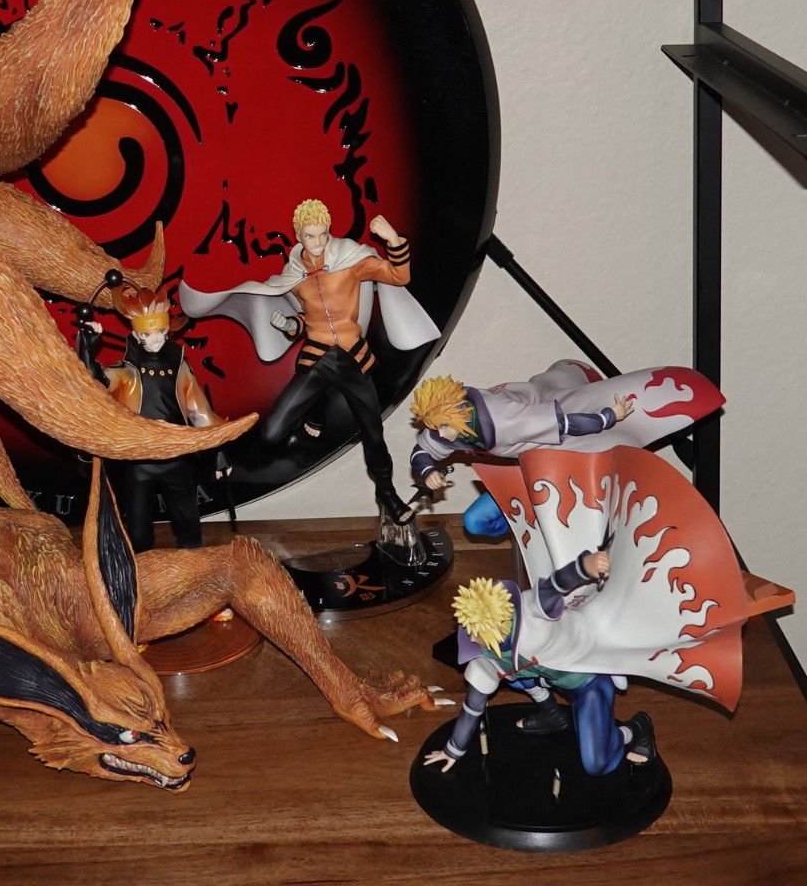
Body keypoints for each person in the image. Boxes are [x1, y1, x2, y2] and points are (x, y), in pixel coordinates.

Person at [179, 199, 439, 527]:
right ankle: (313, 407)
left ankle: (387, 493)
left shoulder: (350, 260)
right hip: (318, 359)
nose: (318, 243)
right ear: (298, 236)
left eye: (323, 234)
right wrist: (289, 326)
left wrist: (394, 240)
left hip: (353, 359)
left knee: (374, 434)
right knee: (272, 432)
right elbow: (304, 319)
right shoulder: (295, 275)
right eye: (310, 236)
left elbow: (398, 276)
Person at [407, 362, 724, 537]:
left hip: (566, 448)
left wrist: (608, 417)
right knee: (476, 523)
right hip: (531, 465)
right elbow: (421, 451)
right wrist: (428, 470)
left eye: (442, 428)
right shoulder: (449, 426)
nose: (439, 435)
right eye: (436, 428)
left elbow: (566, 423)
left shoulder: (506, 420)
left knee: (597, 523)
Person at [424, 560, 655, 777]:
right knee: (516, 676)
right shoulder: (486, 656)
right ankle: (551, 714)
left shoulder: (532, 614)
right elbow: (473, 706)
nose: (471, 638)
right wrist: (453, 750)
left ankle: (636, 729)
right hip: (549, 678)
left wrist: (585, 565)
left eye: (476, 631)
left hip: (588, 680)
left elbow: (555, 585)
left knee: (597, 764)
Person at [76, 280, 230, 552]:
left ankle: (193, 565)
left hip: (176, 457)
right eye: (147, 334)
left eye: (160, 331)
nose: (155, 339)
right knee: (138, 533)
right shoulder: (126, 370)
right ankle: (142, 568)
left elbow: (199, 411)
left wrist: (218, 450)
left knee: (189, 528)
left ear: (168, 329)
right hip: (140, 461)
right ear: (137, 335)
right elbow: (96, 384)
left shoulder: (180, 368)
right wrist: (87, 350)